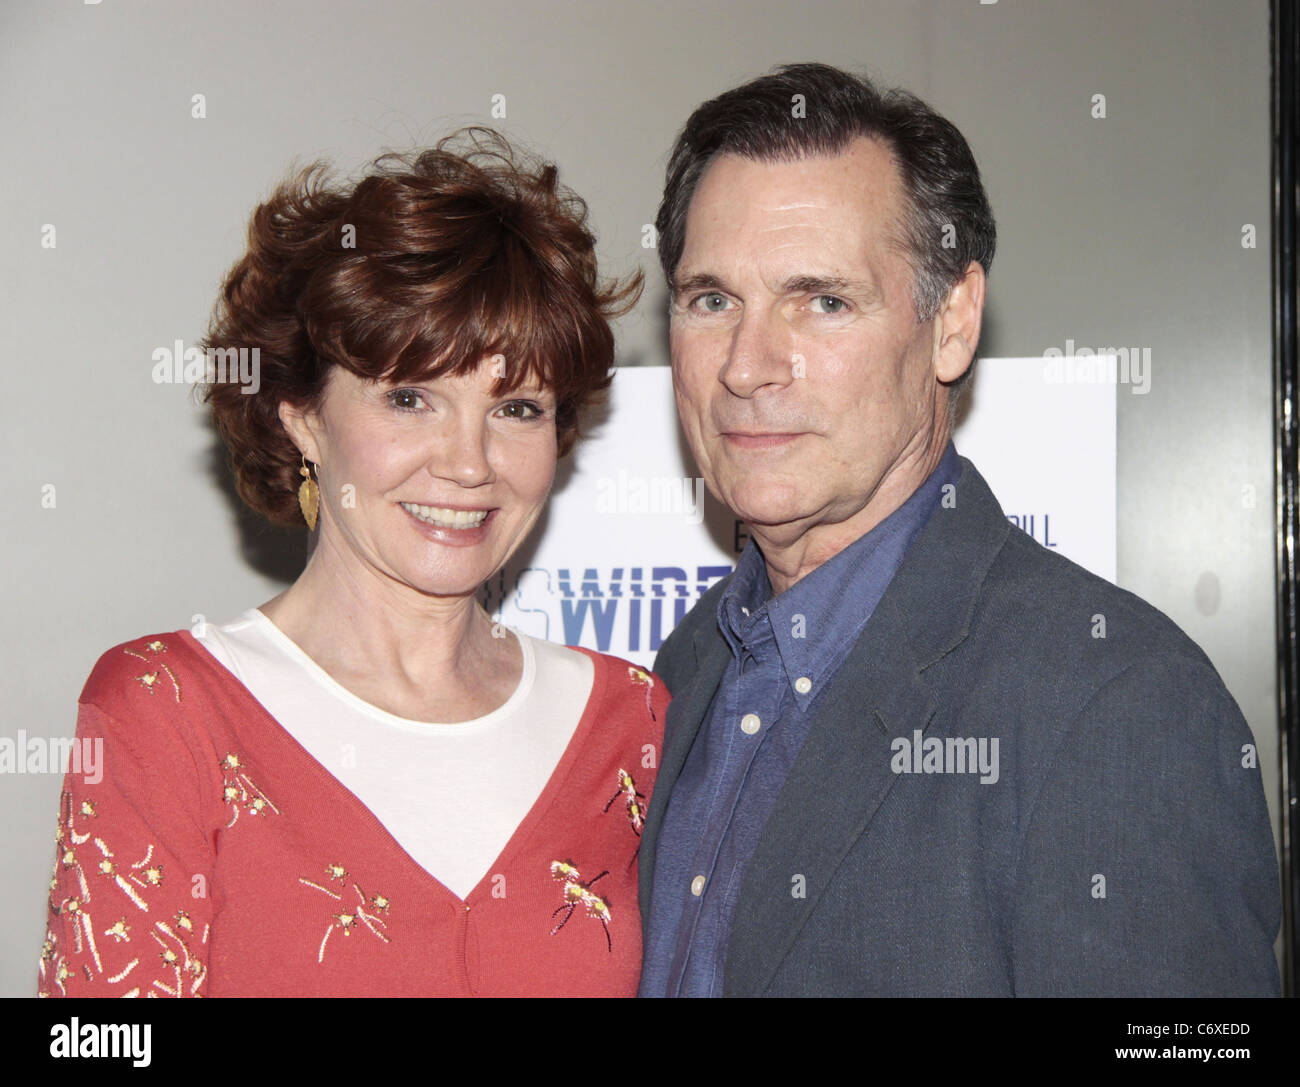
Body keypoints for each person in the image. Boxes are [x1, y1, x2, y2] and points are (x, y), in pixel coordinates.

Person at [637, 63, 1281, 997]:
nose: (748, 365)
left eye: (822, 300)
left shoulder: (1116, 707)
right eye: (711, 300)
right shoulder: (690, 664)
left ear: (952, 323)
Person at [38, 128, 665, 997]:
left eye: (517, 406)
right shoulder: (167, 712)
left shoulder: (634, 722)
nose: (469, 462)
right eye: (410, 398)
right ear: (301, 416)